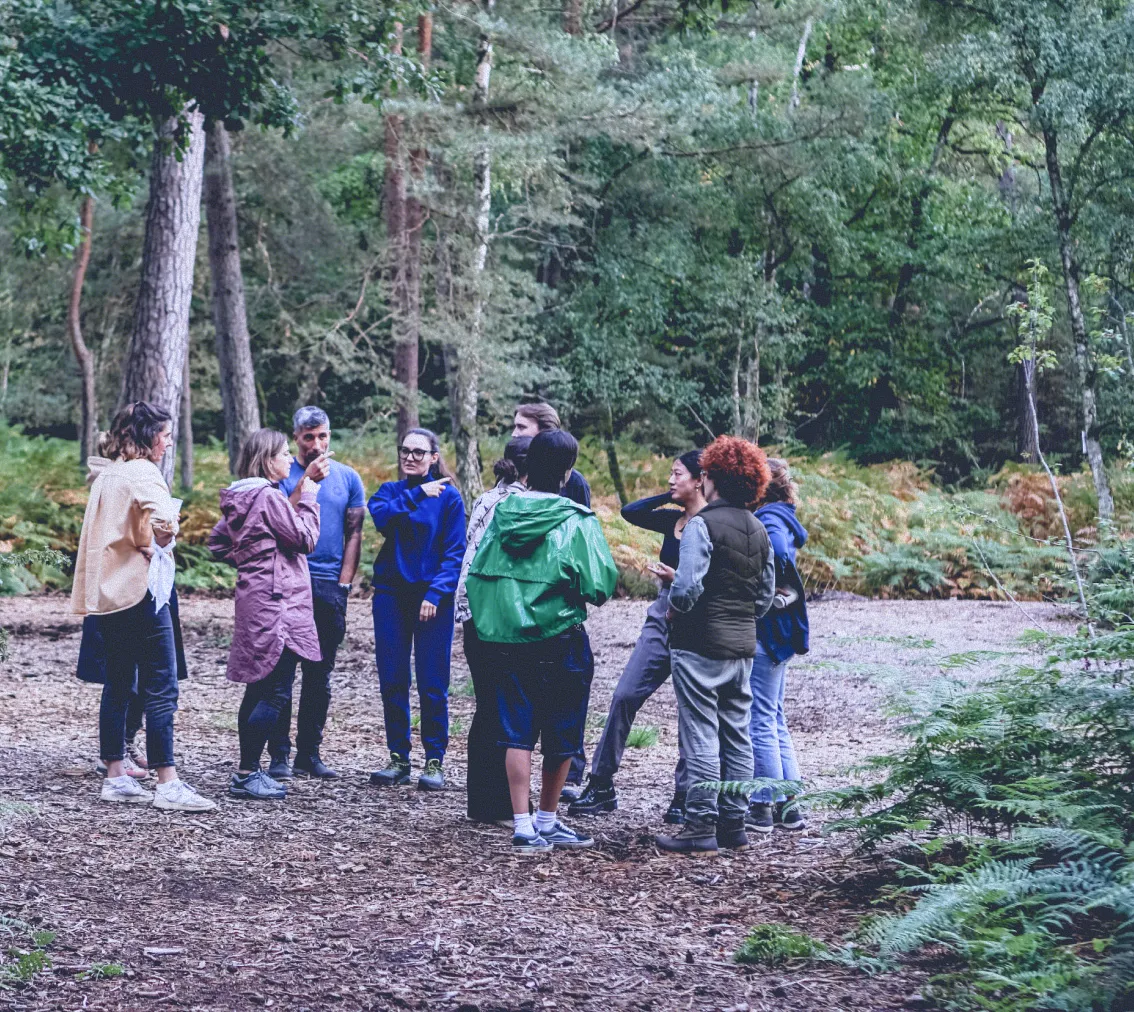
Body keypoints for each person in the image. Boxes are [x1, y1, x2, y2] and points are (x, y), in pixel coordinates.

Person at [466, 430, 618, 853]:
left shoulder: (503, 512)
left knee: (516, 730)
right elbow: (600, 585)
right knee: (562, 730)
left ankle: (522, 824)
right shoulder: (575, 519)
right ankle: (548, 820)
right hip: (560, 637)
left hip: (507, 641)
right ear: (568, 471)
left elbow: (478, 574)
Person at [71, 401, 215, 812]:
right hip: (141, 592)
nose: (169, 442)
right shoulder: (142, 473)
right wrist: (162, 542)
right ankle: (167, 782)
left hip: (109, 594)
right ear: (149, 436)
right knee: (161, 684)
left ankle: (115, 774)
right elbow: (165, 519)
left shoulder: (107, 474)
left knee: (119, 681)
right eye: (166, 435)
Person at [569, 450, 707, 823]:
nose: (668, 479)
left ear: (699, 478)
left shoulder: (711, 524)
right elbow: (631, 512)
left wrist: (674, 578)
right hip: (661, 619)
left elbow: (712, 584)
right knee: (625, 695)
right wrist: (674, 495)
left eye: (676, 474)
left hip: (698, 623)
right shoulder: (673, 521)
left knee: (690, 712)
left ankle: (684, 794)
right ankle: (601, 784)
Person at [655, 435, 775, 855]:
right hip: (743, 646)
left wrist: (673, 611)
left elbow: (685, 589)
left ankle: (699, 825)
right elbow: (764, 597)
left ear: (713, 478)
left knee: (701, 735)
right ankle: (733, 824)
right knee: (737, 734)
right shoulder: (759, 529)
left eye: (704, 473)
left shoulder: (701, 525)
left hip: (699, 644)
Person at [209, 428, 322, 801]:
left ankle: (248, 771)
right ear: (267, 459)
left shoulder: (240, 496)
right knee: (275, 690)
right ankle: (245, 773)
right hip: (278, 603)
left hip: (254, 598)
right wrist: (309, 497)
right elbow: (305, 539)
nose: (291, 459)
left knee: (257, 687)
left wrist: (252, 561)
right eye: (285, 453)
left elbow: (218, 542)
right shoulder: (268, 497)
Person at [267, 407, 366, 780]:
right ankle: (278, 754)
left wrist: (344, 584)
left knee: (319, 675)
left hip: (328, 586)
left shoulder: (349, 478)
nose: (317, 444)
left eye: (322, 436)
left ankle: (309, 752)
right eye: (308, 437)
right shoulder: (280, 473)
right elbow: (277, 519)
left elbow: (353, 532)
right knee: (282, 671)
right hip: (290, 581)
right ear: (296, 438)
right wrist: (305, 480)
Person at [368, 428, 467, 791]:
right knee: (393, 680)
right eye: (406, 451)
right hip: (391, 595)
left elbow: (454, 553)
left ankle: (434, 759)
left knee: (432, 682)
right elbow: (380, 517)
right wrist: (416, 494)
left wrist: (436, 594)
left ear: (434, 457)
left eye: (419, 453)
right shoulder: (391, 492)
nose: (411, 457)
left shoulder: (449, 498)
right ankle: (399, 758)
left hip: (431, 601)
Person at [511, 401, 593, 798]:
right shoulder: (510, 491)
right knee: (545, 707)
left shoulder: (571, 487)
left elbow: (579, 549)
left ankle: (566, 780)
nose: (514, 433)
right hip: (541, 616)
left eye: (521, 427)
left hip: (543, 612)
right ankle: (540, 808)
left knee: (550, 709)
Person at [455, 437, 531, 825]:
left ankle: (484, 804)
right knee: (502, 708)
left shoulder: (488, 497)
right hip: (491, 615)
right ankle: (499, 805)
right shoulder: (516, 503)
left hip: (473, 613)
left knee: (488, 706)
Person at [746, 458, 810, 834]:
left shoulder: (769, 519)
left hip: (768, 630)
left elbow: (780, 554)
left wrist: (768, 590)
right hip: (780, 631)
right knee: (774, 717)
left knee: (760, 718)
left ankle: (762, 804)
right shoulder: (783, 514)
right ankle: (790, 806)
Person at [511, 402, 590, 507]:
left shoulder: (574, 481)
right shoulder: (511, 471)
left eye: (521, 427)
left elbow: (583, 521)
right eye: (515, 426)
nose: (514, 434)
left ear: (545, 430)